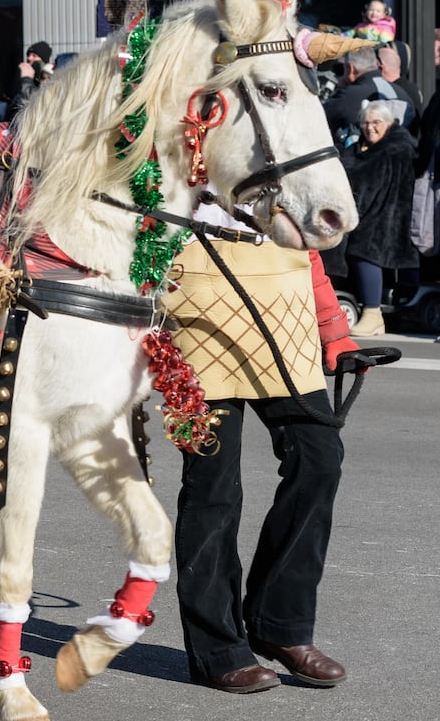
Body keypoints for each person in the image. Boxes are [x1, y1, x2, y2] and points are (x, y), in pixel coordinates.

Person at [166, 237, 359, 695]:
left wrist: (332, 327)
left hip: (285, 320)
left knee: (320, 459)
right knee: (213, 485)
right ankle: (219, 650)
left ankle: (280, 625)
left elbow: (308, 245)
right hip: (194, 323)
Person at [340, 102, 419, 335]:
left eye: (376, 123)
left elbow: (370, 179)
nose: (370, 128)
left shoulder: (399, 147)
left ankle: (373, 314)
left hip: (390, 215)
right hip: (366, 210)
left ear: (389, 123)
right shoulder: (360, 147)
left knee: (365, 246)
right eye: (365, 123)